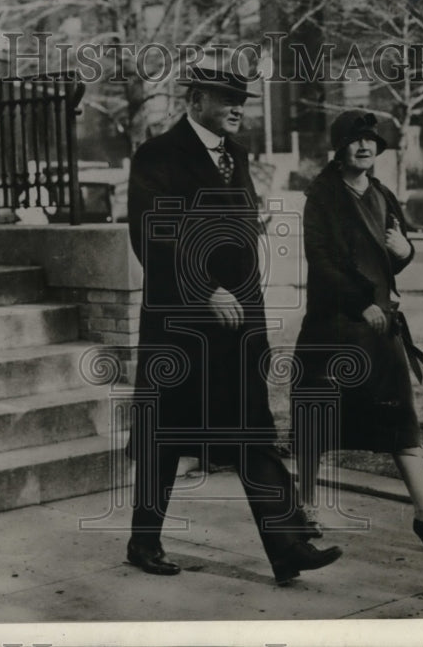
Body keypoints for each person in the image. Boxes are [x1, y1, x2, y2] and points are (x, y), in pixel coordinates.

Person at [125, 53, 342, 585]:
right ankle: (143, 540)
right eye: (227, 100)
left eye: (241, 102)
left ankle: (288, 547)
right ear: (194, 100)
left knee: (254, 433)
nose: (237, 110)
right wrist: (204, 291)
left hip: (237, 327)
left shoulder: (237, 157)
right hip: (182, 325)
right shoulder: (157, 155)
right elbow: (152, 234)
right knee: (166, 437)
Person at [292, 109, 423, 549]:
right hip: (332, 329)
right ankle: (305, 508)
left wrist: (406, 251)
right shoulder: (322, 195)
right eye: (355, 140)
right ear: (339, 147)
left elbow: (396, 253)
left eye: (371, 139)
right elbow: (321, 262)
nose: (365, 146)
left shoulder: (383, 193)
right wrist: (360, 302)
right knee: (317, 425)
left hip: (380, 328)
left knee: (401, 421)